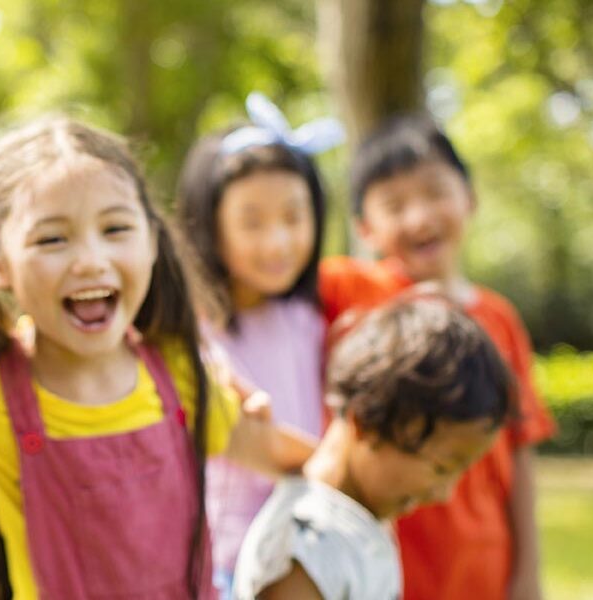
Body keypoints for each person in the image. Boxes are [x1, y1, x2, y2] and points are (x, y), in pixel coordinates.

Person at [0, 117, 311, 599]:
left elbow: (273, 452)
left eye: (115, 228)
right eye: (52, 238)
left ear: (151, 240)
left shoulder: (179, 371)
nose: (91, 259)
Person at [319, 114, 555, 600]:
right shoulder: (352, 288)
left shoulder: (502, 319)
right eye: (394, 205)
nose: (419, 217)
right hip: (381, 565)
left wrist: (529, 573)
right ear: (365, 227)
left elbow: (520, 451)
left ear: (470, 198)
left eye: (434, 192)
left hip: (484, 565)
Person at [234, 297, 513, 600]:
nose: (444, 493)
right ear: (366, 422)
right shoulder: (305, 551)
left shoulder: (359, 518)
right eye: (441, 467)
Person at [175, 92, 341, 595]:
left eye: (294, 217)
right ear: (210, 225)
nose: (278, 242)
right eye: (252, 222)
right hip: (223, 564)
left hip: (306, 558)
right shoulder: (193, 335)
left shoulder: (311, 321)